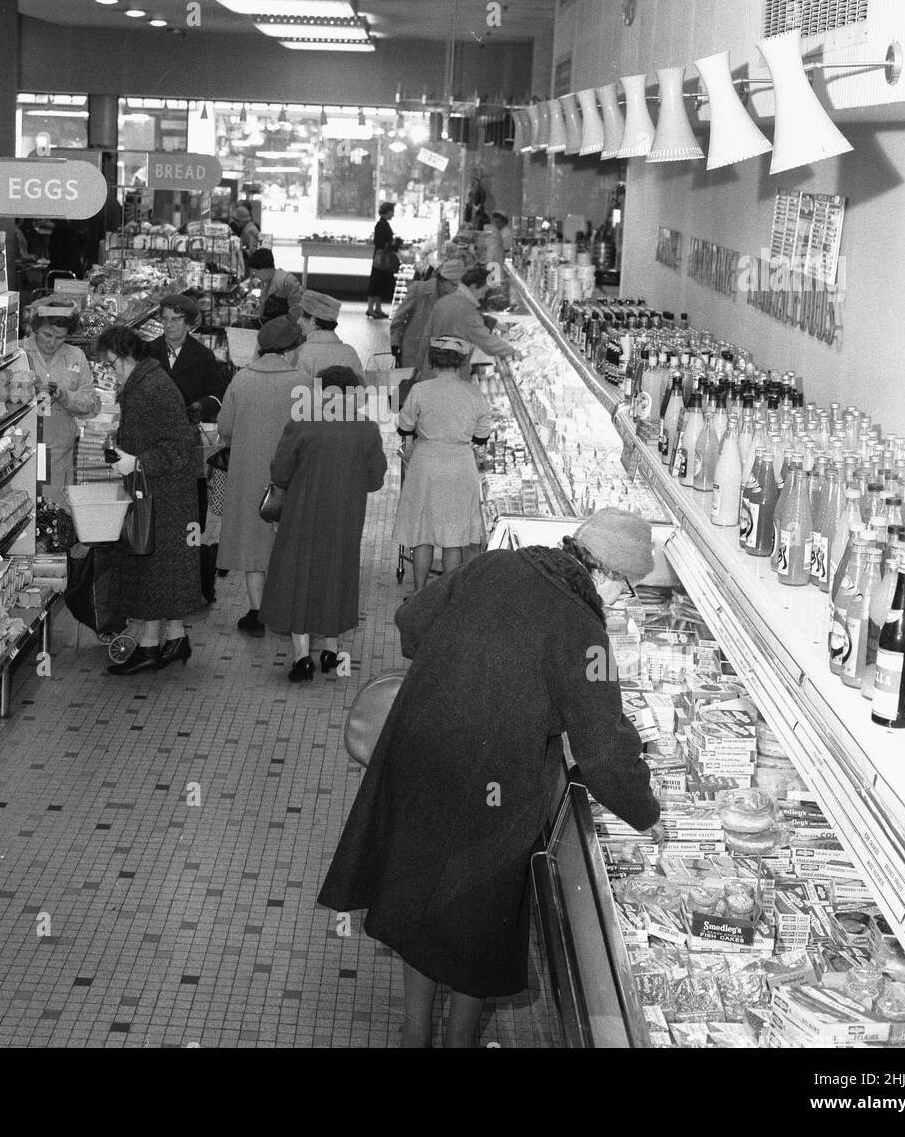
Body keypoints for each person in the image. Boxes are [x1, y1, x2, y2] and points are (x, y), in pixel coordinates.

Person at [319, 508, 664, 1048]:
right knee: (474, 921)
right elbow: (604, 752)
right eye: (629, 588)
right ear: (605, 574)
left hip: (421, 756)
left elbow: (412, 624)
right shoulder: (586, 634)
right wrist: (647, 811)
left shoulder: (495, 566)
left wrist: (468, 659)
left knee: (417, 895)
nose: (623, 601)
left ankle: (415, 1036)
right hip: (495, 791)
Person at [259, 366, 388, 683]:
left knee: (299, 578)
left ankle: (302, 658)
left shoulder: (303, 421)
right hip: (345, 516)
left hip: (303, 514)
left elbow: (280, 472)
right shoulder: (367, 428)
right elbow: (375, 480)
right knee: (336, 575)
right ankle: (331, 650)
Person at [93, 326, 206, 676]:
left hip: (163, 494)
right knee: (158, 571)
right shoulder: (143, 382)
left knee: (151, 570)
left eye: (111, 364)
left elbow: (179, 446)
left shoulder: (154, 387)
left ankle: (149, 648)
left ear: (128, 357)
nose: (110, 372)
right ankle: (173, 640)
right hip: (154, 490)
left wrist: (137, 462)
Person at [215, 316, 305, 637]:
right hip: (292, 478)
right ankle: (286, 611)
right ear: (289, 350)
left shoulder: (241, 380)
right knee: (287, 545)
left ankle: (257, 613)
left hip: (248, 478)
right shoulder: (304, 382)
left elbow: (224, 428)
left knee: (254, 547)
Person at [148, 293, 231, 605]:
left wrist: (203, 405)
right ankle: (159, 582)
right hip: (155, 445)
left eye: (176, 320)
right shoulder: (149, 352)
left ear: (190, 323)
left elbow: (219, 395)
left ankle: (196, 585)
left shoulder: (204, 356)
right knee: (157, 515)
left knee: (192, 516)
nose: (169, 326)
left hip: (191, 449)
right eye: (165, 319)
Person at [392, 337, 491, 593]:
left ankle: (419, 592)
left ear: (433, 361)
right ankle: (448, 596)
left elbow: (405, 426)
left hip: (426, 463)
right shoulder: (474, 394)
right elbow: (481, 437)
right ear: (462, 363)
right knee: (454, 538)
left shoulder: (421, 390)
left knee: (422, 534)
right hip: (460, 464)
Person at [21, 300, 99, 510]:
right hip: (20, 446)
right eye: (47, 335)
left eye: (60, 337)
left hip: (59, 449)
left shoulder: (75, 356)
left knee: (55, 509)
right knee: (21, 503)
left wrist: (64, 396)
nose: (53, 342)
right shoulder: (17, 352)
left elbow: (90, 402)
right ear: (35, 327)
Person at [415, 264, 519, 378]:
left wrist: (419, 368)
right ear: (473, 287)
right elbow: (488, 343)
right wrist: (513, 352)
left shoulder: (444, 301)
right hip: (451, 376)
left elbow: (426, 336)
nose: (482, 297)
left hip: (430, 369)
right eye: (483, 292)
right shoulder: (466, 309)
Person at [389, 258, 460, 370]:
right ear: (442, 280)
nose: (455, 289)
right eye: (453, 285)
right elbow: (399, 317)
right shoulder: (419, 290)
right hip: (413, 350)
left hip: (440, 355)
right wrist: (395, 342)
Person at [296, 291, 364, 381]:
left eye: (301, 316)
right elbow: (363, 389)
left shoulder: (302, 353)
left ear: (313, 320)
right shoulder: (350, 352)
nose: (298, 321)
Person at [246, 247, 303, 323]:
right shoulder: (266, 282)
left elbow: (298, 312)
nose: (255, 275)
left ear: (264, 269)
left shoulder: (288, 282)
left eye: (255, 272)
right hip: (270, 328)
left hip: (284, 330)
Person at [365, 200, 398, 320]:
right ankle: (371, 308)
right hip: (381, 259)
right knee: (376, 282)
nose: (393, 214)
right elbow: (380, 243)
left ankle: (376, 308)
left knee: (379, 282)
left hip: (380, 259)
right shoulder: (381, 225)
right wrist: (392, 245)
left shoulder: (383, 224)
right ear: (387, 212)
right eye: (392, 212)